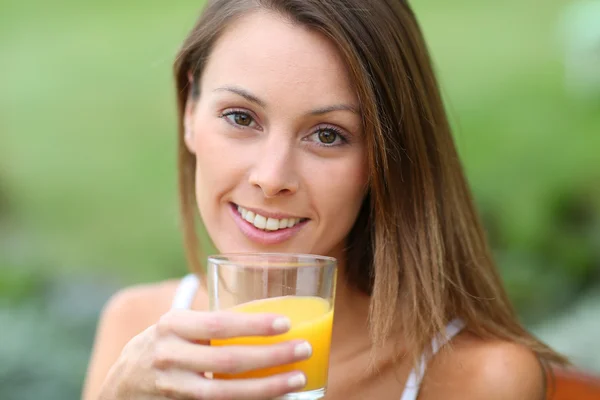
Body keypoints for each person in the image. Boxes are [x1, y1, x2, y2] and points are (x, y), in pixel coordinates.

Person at [82, 1, 567, 399]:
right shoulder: (136, 329)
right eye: (241, 117)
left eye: (328, 135)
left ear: (383, 159)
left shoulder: (481, 380)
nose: (272, 179)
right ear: (190, 109)